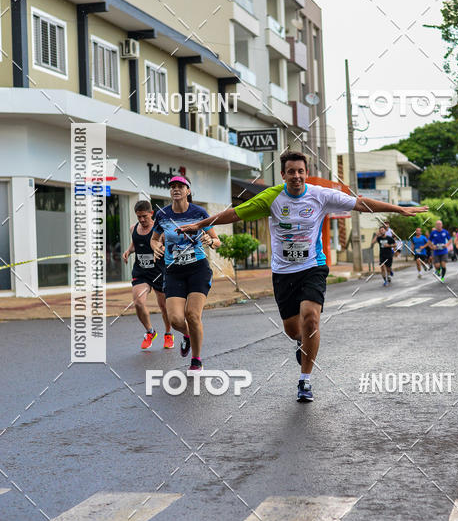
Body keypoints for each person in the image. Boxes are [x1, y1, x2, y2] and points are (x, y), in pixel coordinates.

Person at [176, 151, 428, 403]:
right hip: (283, 272)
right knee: (292, 329)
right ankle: (300, 342)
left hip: (312, 267)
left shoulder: (320, 195)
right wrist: (200, 225)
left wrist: (399, 209)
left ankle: (304, 380)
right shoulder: (271, 197)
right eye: (291, 172)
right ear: (283, 174)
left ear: (305, 173)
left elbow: (360, 203)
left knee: (311, 318)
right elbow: (236, 213)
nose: (296, 176)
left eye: (300, 171)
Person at [150, 176, 221, 371]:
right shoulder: (163, 214)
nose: (176, 189)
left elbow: (217, 240)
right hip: (173, 271)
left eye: (180, 186)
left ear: (188, 190)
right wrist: (156, 247)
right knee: (175, 320)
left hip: (198, 269)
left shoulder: (199, 212)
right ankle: (189, 335)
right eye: (172, 186)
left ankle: (196, 360)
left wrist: (209, 240)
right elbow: (154, 239)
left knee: (192, 314)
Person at [122, 200, 173, 350]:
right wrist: (128, 251)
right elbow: (135, 244)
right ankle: (150, 331)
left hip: (158, 271)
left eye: (144, 216)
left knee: (164, 306)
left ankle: (168, 333)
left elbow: (168, 247)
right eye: (139, 217)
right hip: (141, 271)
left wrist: (162, 248)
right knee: (138, 302)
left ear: (151, 213)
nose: (142, 220)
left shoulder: (160, 229)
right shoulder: (133, 228)